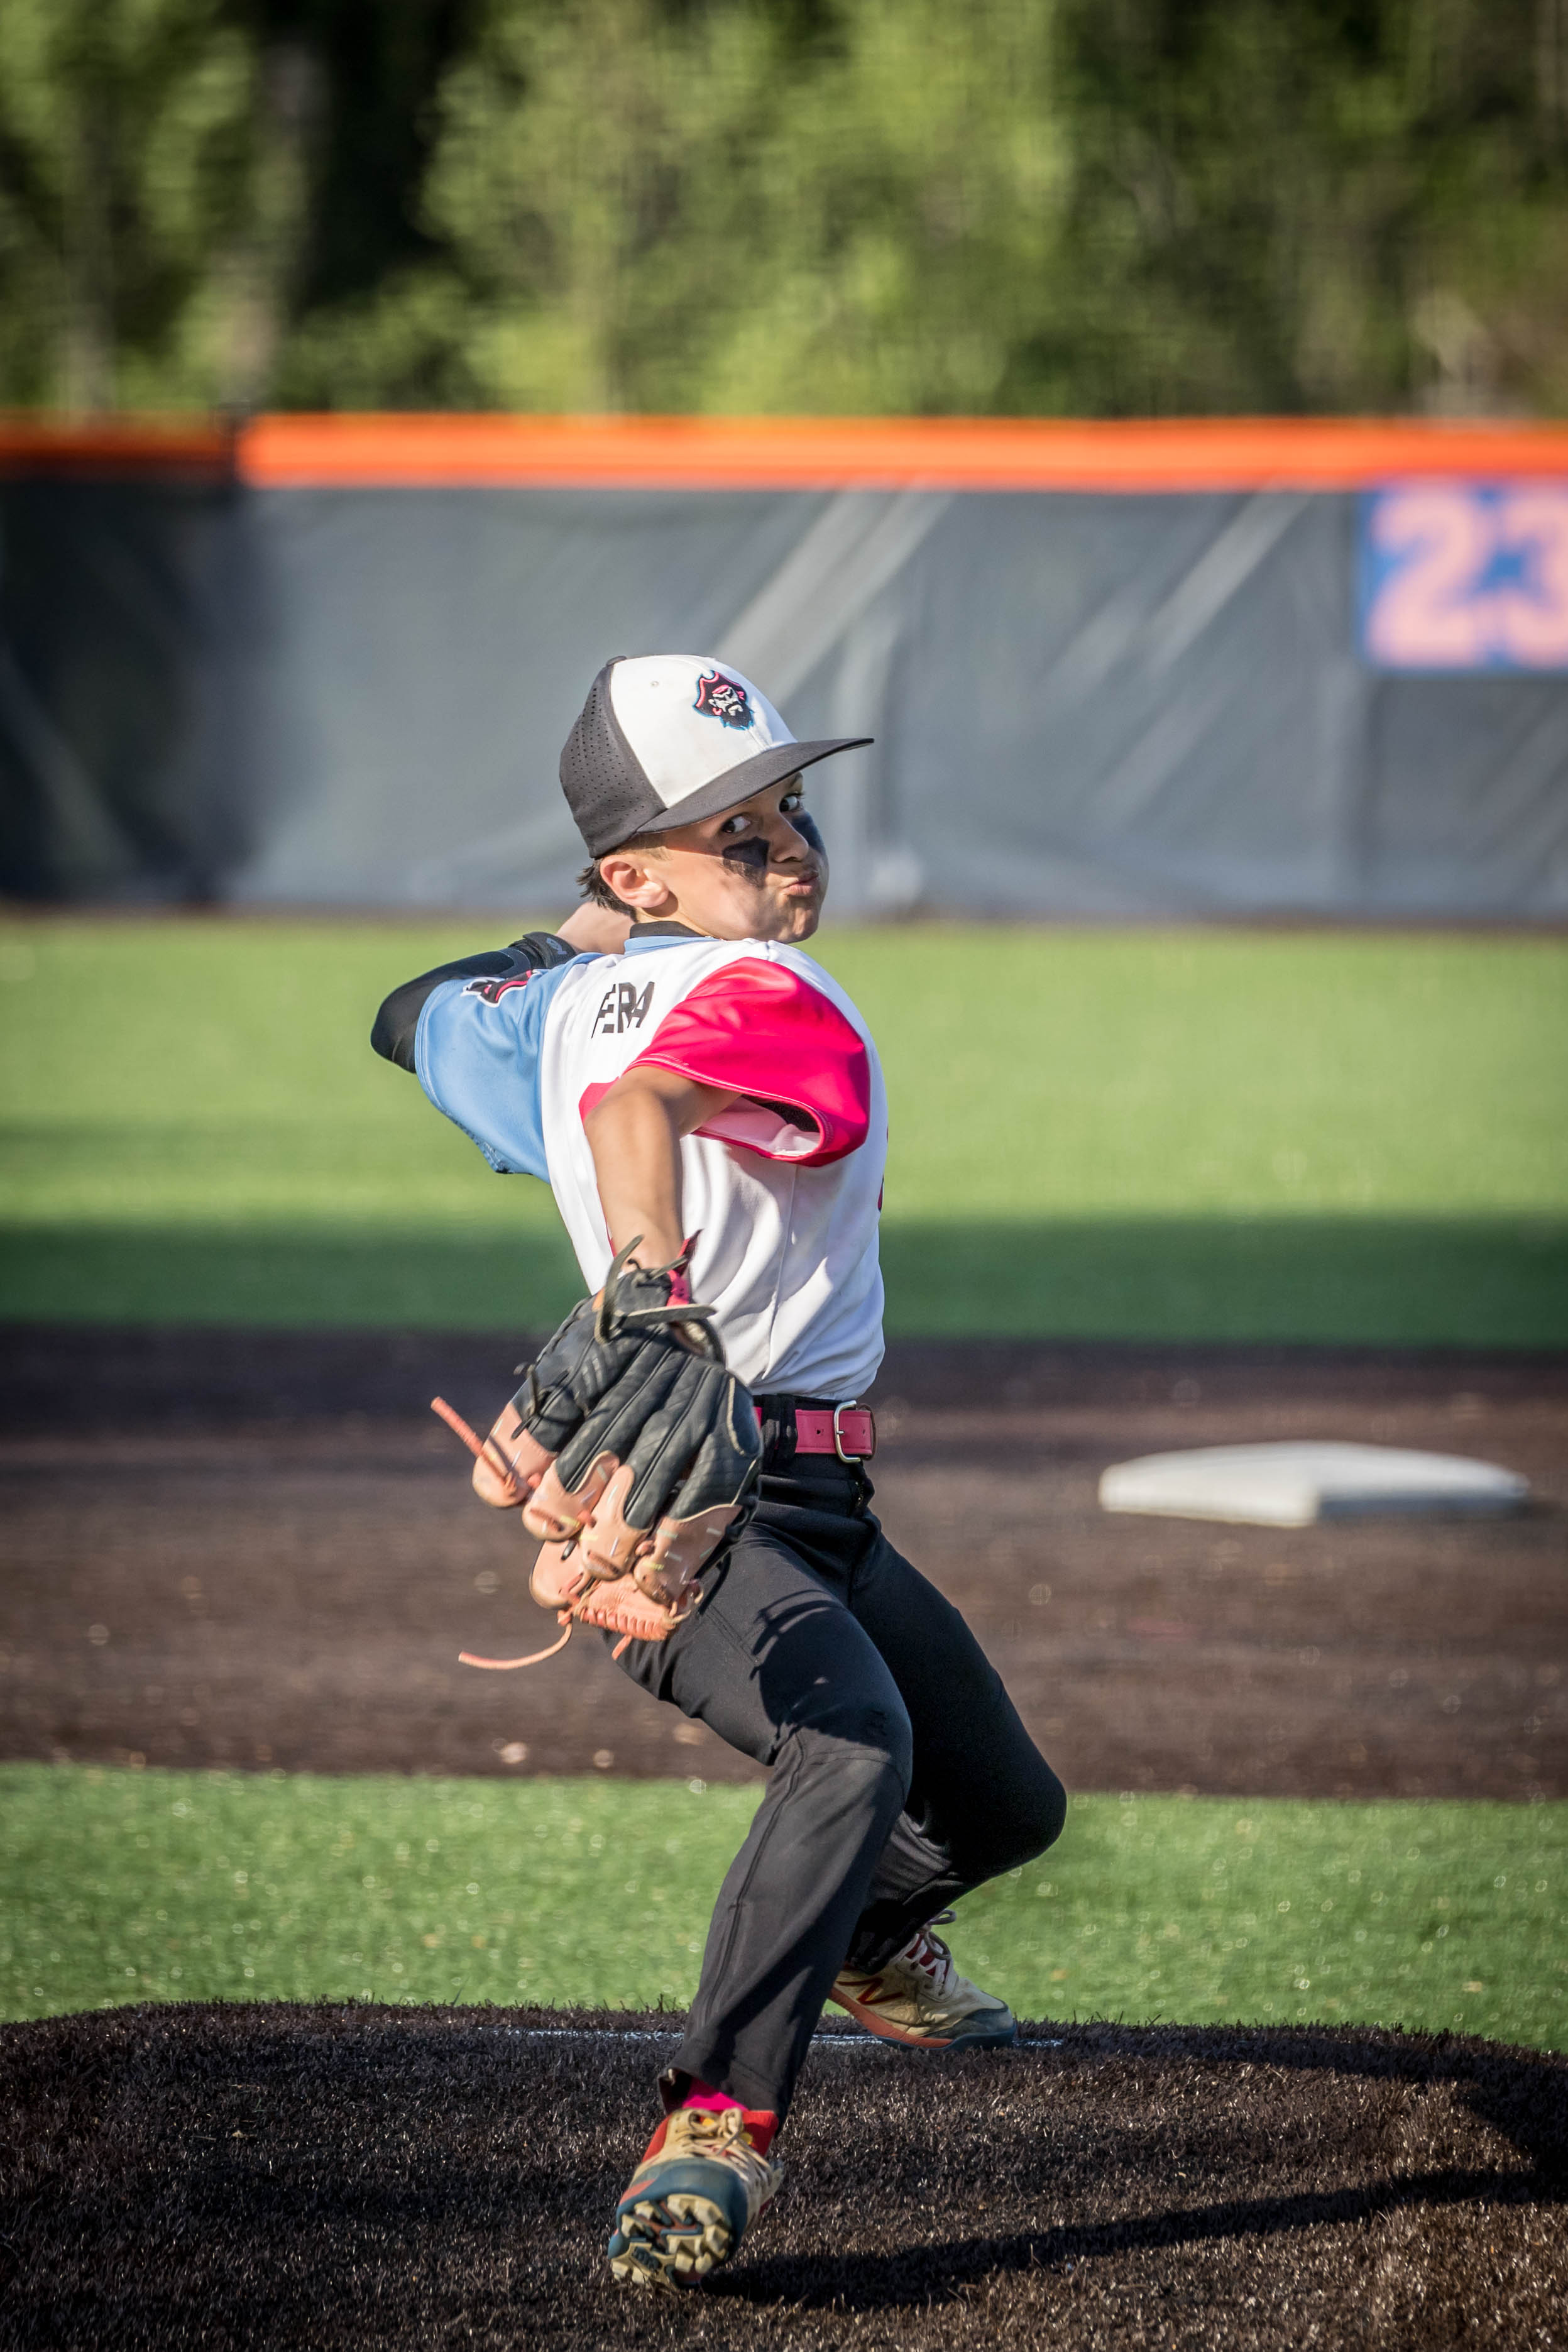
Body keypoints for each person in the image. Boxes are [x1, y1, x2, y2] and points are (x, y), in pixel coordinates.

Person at [372, 654, 1066, 2290]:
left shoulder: (548, 1014)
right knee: (852, 1747)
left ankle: (865, 1947)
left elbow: (413, 1015)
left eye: (790, 811)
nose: (789, 850)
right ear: (642, 871)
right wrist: (651, 1279)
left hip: (807, 1511)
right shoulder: (783, 998)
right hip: (686, 1506)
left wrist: (583, 938)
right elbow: (647, 1108)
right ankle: (712, 2126)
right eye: (737, 834)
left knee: (1004, 1807)